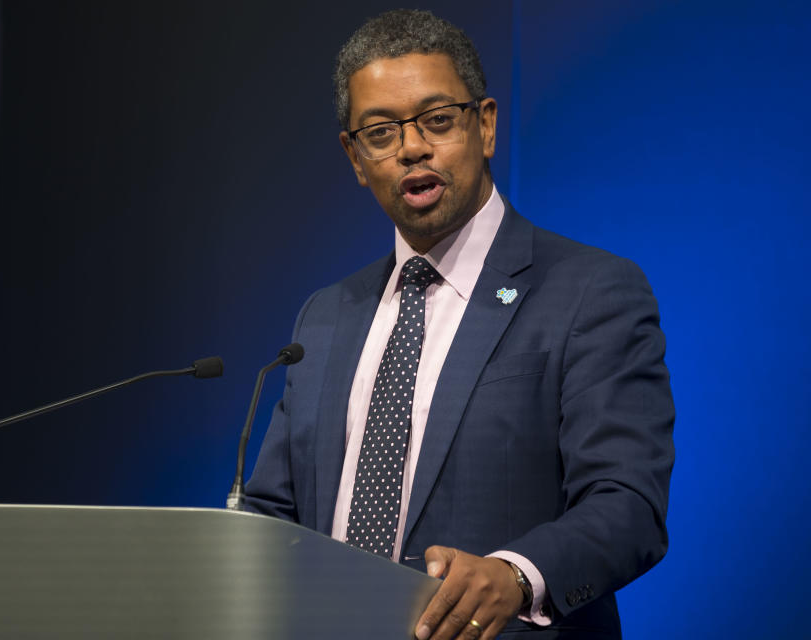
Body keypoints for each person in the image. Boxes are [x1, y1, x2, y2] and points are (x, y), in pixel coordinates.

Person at [244, 9, 674, 640]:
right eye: (381, 132)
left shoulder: (589, 291)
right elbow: (272, 515)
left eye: (437, 120)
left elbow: (628, 504)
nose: (412, 147)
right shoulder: (327, 315)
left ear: (487, 125)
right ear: (355, 157)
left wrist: (517, 575)